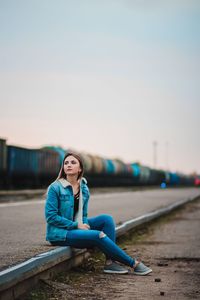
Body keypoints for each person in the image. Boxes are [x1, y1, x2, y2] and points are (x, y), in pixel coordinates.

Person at [45, 152, 152, 275]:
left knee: (106, 219)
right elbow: (51, 217)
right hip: (60, 233)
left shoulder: (83, 187)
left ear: (80, 168)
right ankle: (133, 263)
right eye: (66, 163)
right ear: (63, 167)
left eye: (73, 162)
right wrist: (77, 226)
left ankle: (110, 263)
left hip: (76, 226)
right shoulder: (55, 188)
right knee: (98, 235)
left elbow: (83, 215)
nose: (69, 165)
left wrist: (84, 228)